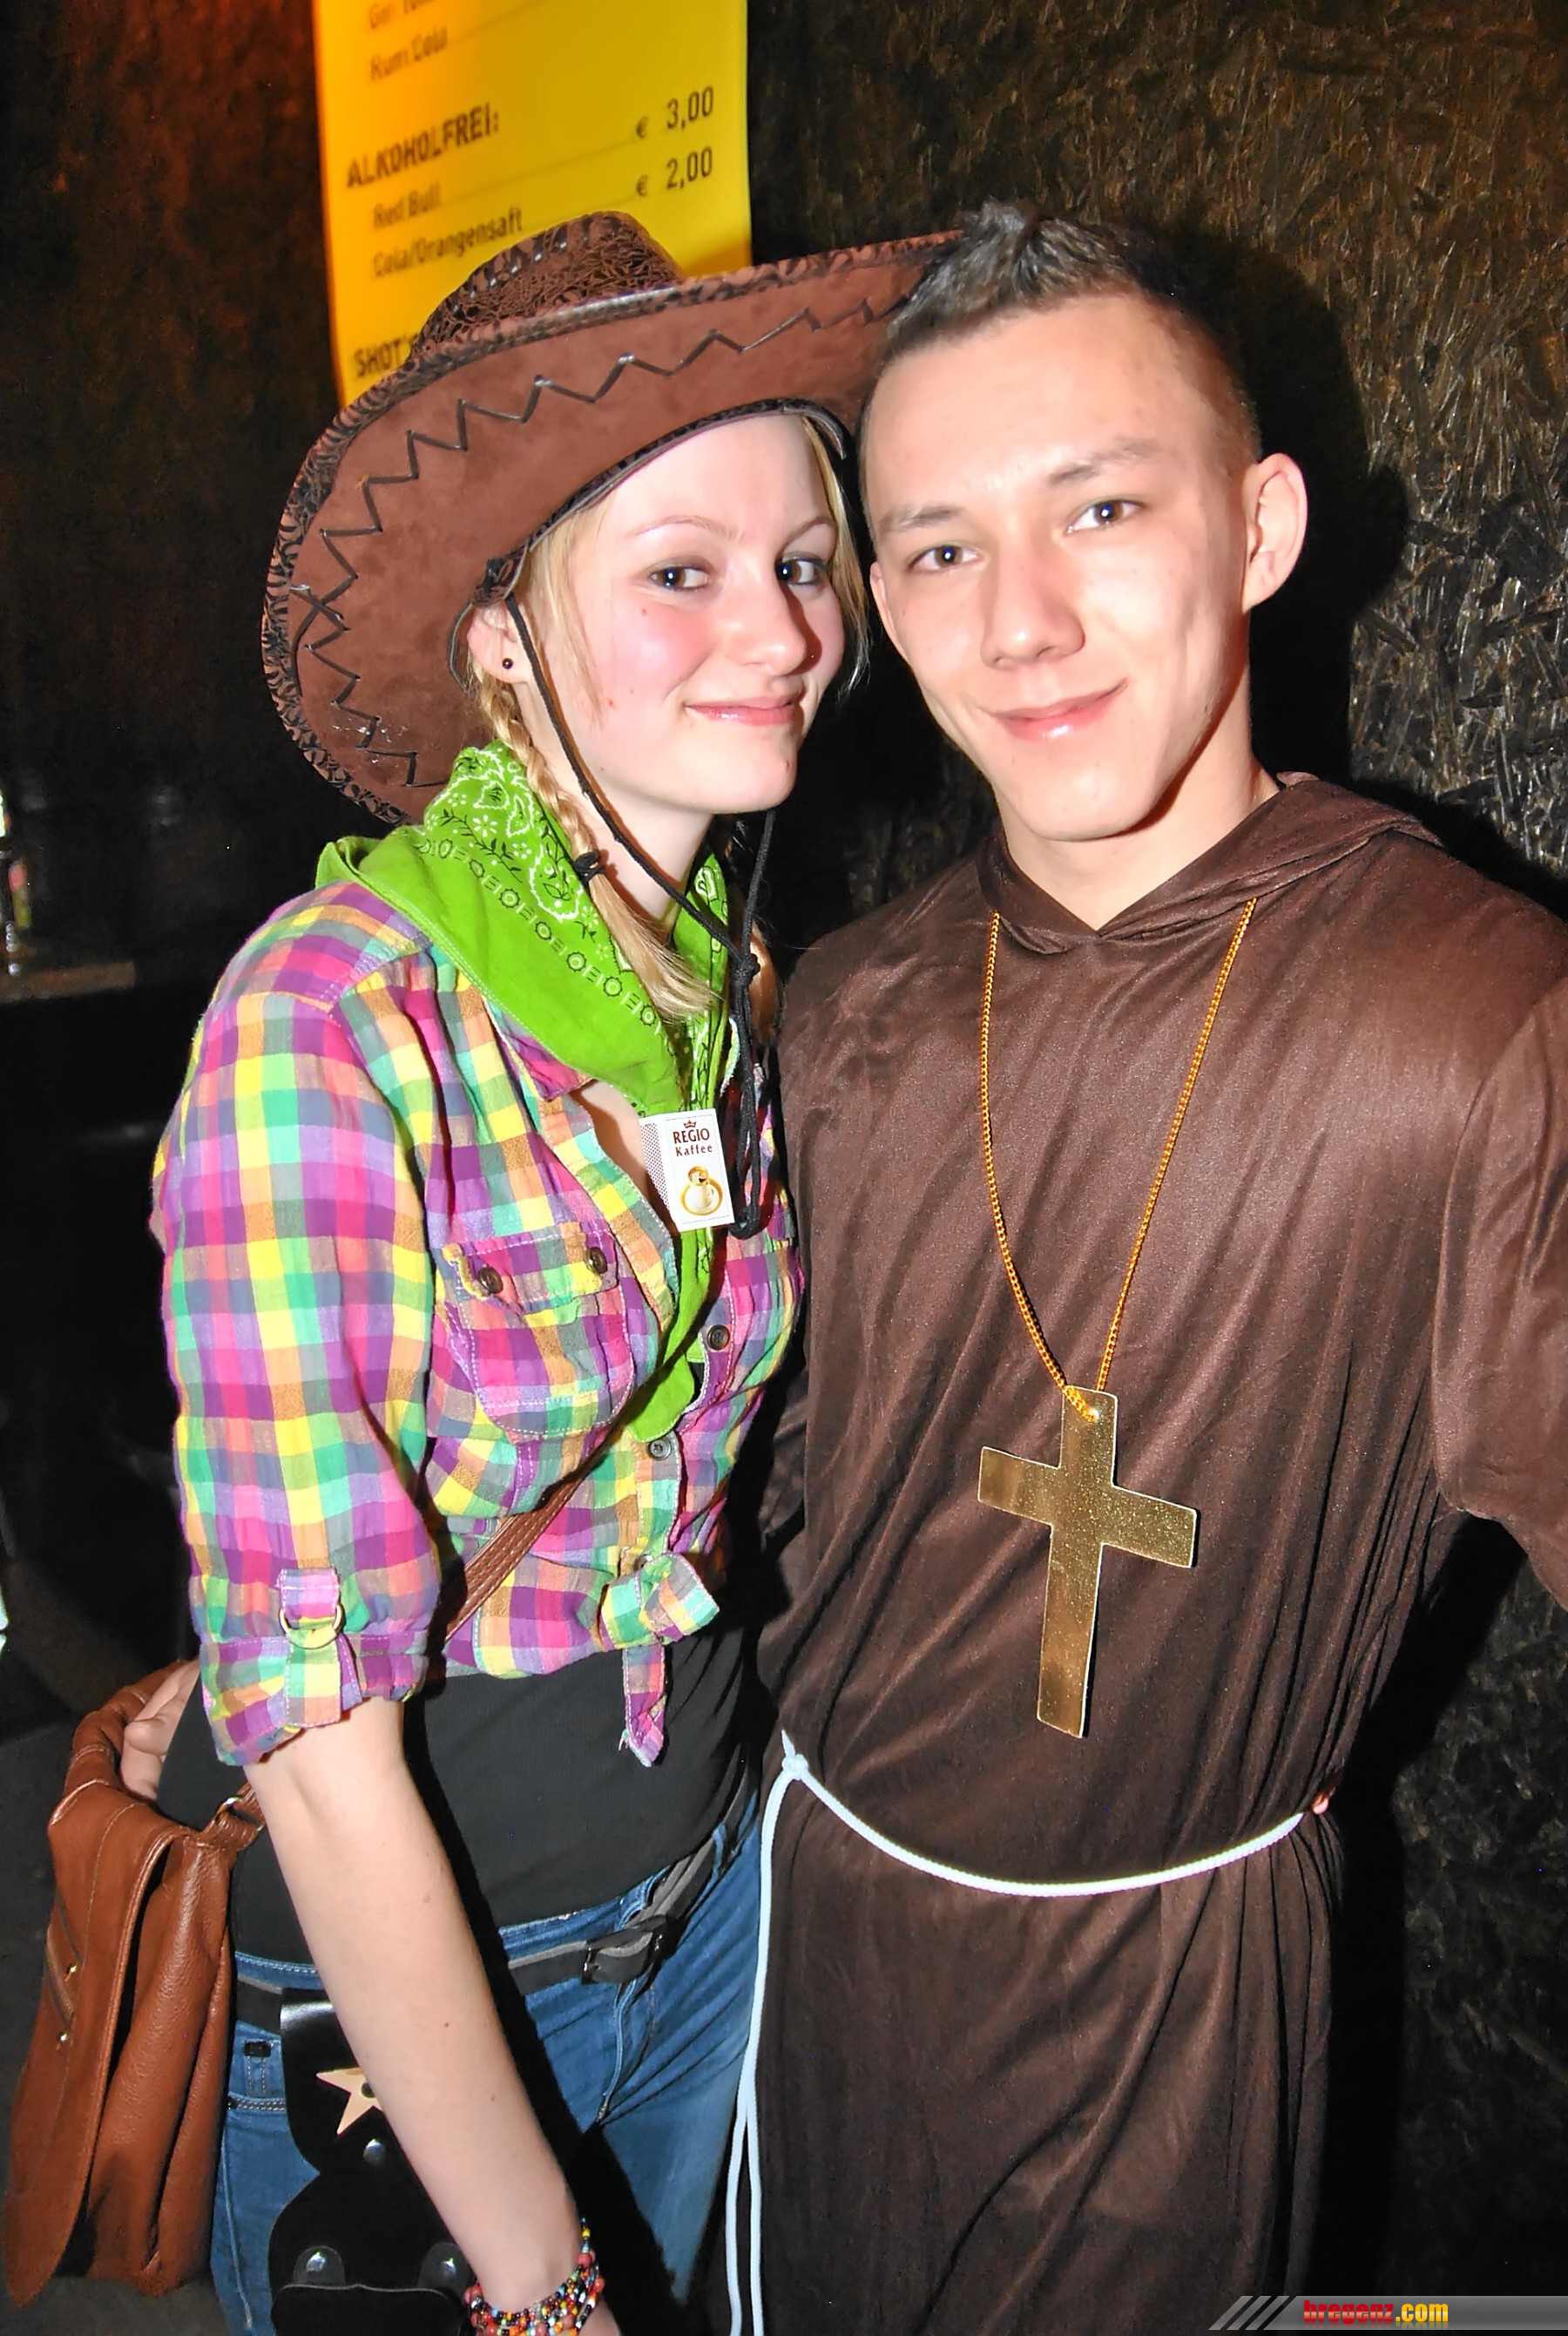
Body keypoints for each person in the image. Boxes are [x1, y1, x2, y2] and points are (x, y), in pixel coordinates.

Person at [736, 207, 1568, 2333]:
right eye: (939, 548)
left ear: (1260, 527)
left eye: (1100, 508)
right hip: (808, 1933)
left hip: (1170, 2008)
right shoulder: (842, 1012)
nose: (1022, 621)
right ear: (880, 613)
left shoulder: (1472, 1016)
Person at [141, 211, 937, 2336]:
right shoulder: (333, 1017)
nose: (778, 628)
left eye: (803, 561)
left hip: (703, 1902)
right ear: (505, 637)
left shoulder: (713, 983)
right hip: (424, 2001)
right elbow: (315, 1738)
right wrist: (534, 2279)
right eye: (681, 571)